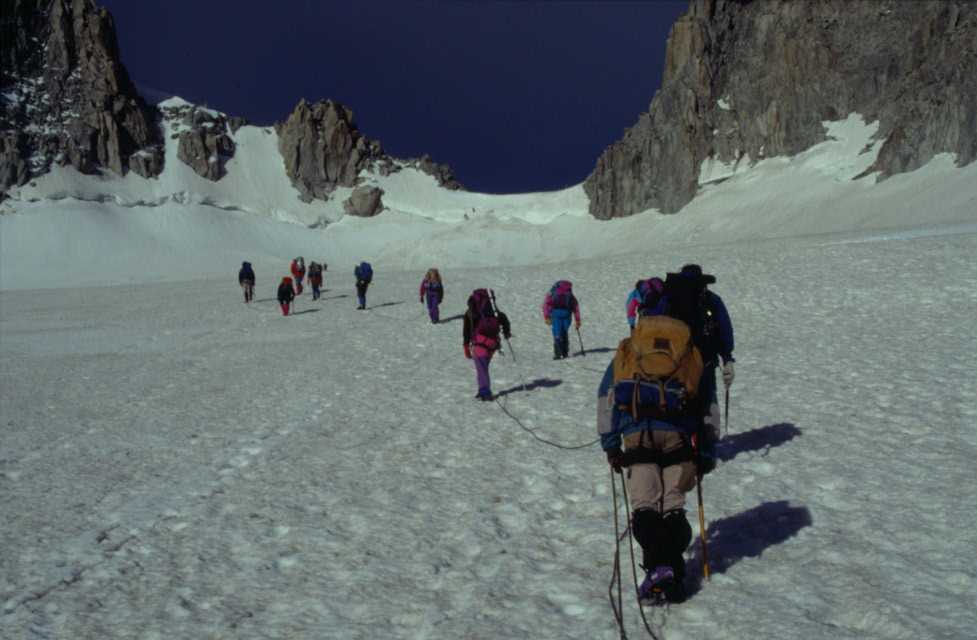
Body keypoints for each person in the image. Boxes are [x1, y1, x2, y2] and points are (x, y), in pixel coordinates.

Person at [598, 288, 709, 605]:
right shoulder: (686, 350)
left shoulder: (629, 350)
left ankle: (660, 570)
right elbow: (704, 402)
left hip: (637, 437)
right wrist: (705, 450)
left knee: (645, 507)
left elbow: (606, 400)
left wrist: (610, 444)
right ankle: (672, 575)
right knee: (672, 508)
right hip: (677, 439)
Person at [665, 264, 735, 442]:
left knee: (680, 401)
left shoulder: (670, 298)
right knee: (706, 399)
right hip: (706, 360)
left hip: (676, 363)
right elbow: (724, 329)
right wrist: (727, 357)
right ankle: (708, 444)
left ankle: (681, 441)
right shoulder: (710, 299)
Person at [463, 288, 511, 401]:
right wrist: (507, 332)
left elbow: (466, 330)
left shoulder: (470, 312)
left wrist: (465, 345)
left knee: (482, 368)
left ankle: (485, 391)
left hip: (479, 344)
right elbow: (504, 320)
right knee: (483, 368)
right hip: (493, 344)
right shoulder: (494, 311)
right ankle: (482, 389)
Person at [542, 280, 581, 359]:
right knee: (564, 332)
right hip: (567, 315)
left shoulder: (552, 293)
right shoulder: (569, 294)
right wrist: (577, 320)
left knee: (557, 333)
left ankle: (558, 353)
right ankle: (564, 352)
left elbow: (546, 305)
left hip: (556, 315)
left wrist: (547, 317)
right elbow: (575, 307)